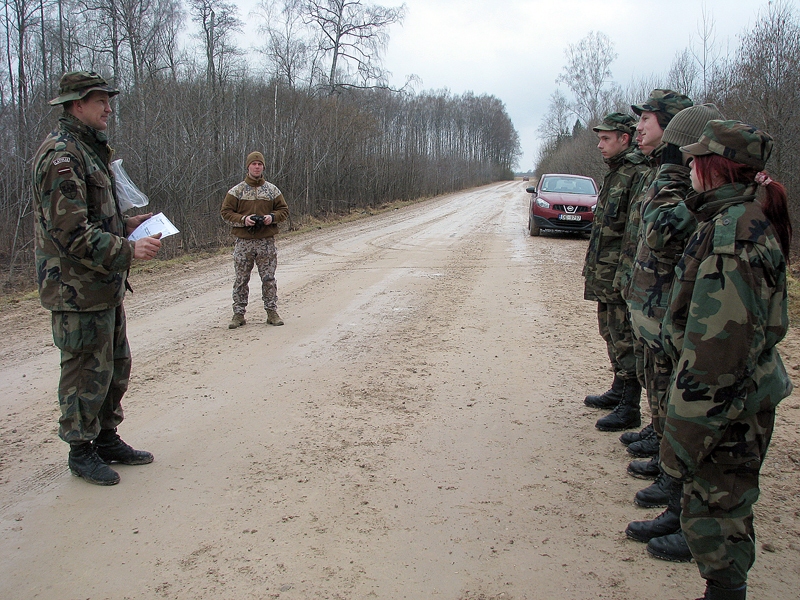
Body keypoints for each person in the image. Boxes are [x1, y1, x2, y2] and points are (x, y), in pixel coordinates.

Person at [661, 120, 793, 600]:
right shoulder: (737, 221)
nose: (690, 166)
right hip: (741, 399)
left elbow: (716, 359)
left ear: (716, 168)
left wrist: (683, 437)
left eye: (698, 159)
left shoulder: (731, 238)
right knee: (724, 512)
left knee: (717, 521)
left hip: (729, 407)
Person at [32, 71, 162, 486]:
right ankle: (80, 450)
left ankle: (106, 438)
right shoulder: (62, 157)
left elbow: (93, 219)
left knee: (114, 367)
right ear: (75, 105)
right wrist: (127, 250)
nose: (108, 108)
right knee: (85, 370)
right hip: (76, 290)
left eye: (108, 100)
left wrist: (127, 226)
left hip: (102, 285)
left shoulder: (91, 152)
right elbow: (71, 233)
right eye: (100, 101)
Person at [623, 103, 724, 557]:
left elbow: (662, 234)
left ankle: (688, 507)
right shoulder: (681, 182)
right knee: (667, 408)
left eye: (647, 121)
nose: (640, 128)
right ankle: (678, 496)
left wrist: (670, 174)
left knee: (688, 421)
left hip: (689, 326)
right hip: (663, 313)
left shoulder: (699, 191)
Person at [594, 90, 692, 435]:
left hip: (660, 287)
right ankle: (642, 411)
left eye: (646, 119)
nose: (639, 128)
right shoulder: (649, 169)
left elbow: (650, 235)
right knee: (623, 339)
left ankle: (653, 422)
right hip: (631, 277)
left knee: (652, 353)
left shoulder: (669, 173)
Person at [582, 113, 649, 430]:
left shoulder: (637, 173)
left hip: (620, 275)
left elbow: (633, 232)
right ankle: (619, 389)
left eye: (606, 139)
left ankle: (630, 406)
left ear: (624, 138)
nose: (599, 145)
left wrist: (626, 275)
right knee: (610, 331)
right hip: (605, 272)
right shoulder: (615, 173)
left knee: (625, 338)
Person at [221, 151, 290, 329]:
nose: (257, 167)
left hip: (266, 241)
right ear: (248, 166)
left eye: (260, 164)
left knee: (268, 279)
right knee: (241, 279)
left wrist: (271, 217)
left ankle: (271, 312)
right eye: (254, 164)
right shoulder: (237, 191)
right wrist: (244, 220)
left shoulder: (272, 190)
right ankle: (238, 314)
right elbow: (225, 213)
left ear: (263, 167)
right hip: (244, 242)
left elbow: (284, 211)